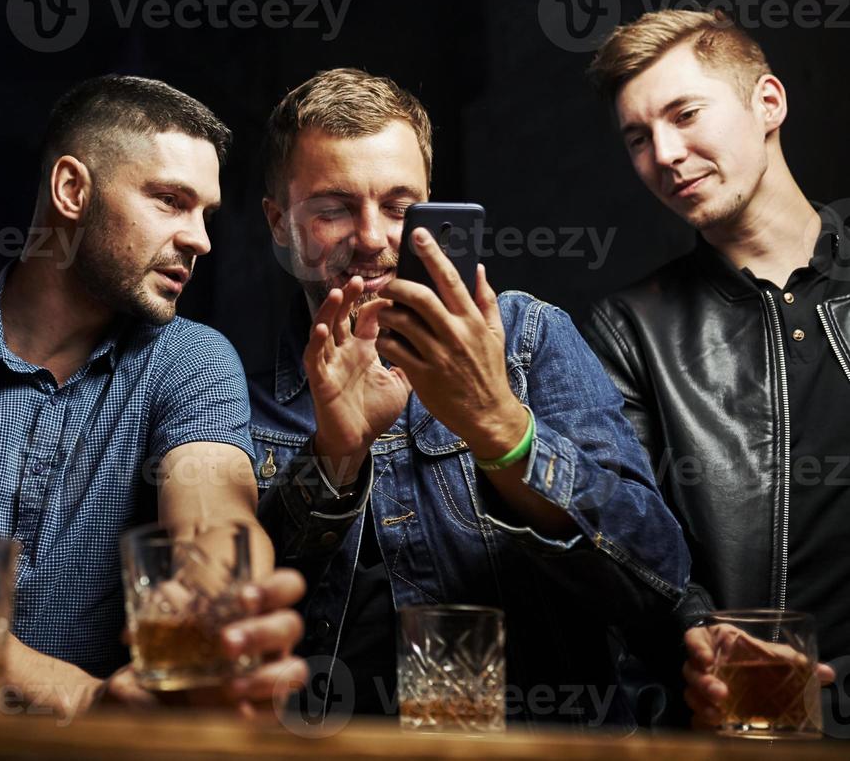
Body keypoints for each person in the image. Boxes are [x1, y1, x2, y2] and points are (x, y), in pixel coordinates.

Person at [251, 67, 690, 728]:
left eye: (400, 207)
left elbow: (657, 580)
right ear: (280, 223)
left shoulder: (527, 341)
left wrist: (502, 429)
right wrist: (333, 461)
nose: (373, 237)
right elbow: (233, 633)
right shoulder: (232, 397)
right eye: (334, 208)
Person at [0, 75, 307, 714]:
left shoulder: (191, 358)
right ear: (72, 189)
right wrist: (80, 699)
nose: (200, 240)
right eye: (169, 201)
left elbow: (213, 514)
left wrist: (222, 600)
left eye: (205, 214)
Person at [584, 9, 842, 728]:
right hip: (738, 724)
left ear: (769, 103)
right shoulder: (631, 328)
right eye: (638, 138)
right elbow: (630, 541)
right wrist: (699, 637)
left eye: (685, 114)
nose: (664, 154)